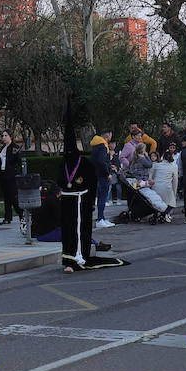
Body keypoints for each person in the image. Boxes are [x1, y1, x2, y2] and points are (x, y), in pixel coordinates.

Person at [59, 105, 127, 272]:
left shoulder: (85, 164)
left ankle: (78, 256)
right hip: (68, 203)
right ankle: (68, 258)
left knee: (79, 231)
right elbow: (59, 181)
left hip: (80, 202)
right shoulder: (63, 164)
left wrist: (89, 203)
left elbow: (90, 183)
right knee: (68, 230)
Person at [0, 129, 23, 225]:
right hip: (3, 174)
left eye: (5, 135)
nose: (3, 137)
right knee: (6, 197)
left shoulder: (14, 147)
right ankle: (8, 217)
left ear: (10, 136)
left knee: (13, 197)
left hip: (12, 175)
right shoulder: (3, 148)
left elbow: (18, 161)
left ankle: (21, 214)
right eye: (3, 136)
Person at [90, 128, 114, 227]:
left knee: (101, 197)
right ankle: (100, 219)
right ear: (107, 136)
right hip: (102, 175)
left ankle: (102, 218)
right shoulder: (103, 146)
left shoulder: (96, 145)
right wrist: (107, 172)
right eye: (110, 135)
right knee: (102, 197)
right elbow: (101, 161)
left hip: (97, 174)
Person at [151, 144, 180, 214]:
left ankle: (157, 214)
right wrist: (174, 192)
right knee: (172, 202)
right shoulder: (174, 166)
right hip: (167, 187)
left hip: (155, 187)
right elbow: (175, 181)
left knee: (157, 202)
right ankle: (165, 214)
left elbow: (152, 177)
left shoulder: (156, 165)